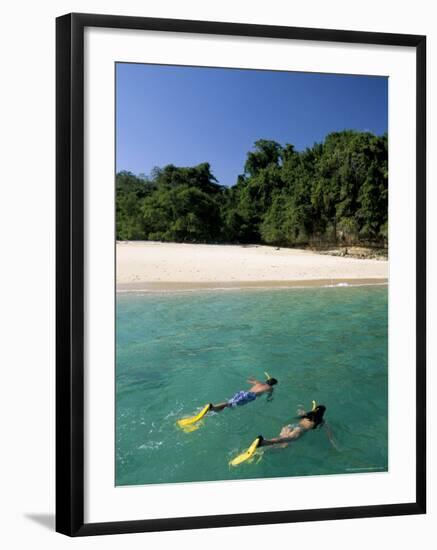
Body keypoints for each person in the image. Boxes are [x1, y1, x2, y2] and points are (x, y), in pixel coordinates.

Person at [257, 404, 331, 447]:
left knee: (283, 443)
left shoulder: (308, 414)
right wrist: (333, 442)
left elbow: (300, 412)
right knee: (284, 442)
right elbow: (329, 434)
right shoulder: (321, 421)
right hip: (299, 430)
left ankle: (266, 446)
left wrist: (300, 408)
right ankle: (264, 442)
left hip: (290, 426)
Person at [209, 375, 278, 412]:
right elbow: (269, 395)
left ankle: (215, 409)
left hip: (244, 392)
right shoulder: (270, 388)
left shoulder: (259, 383)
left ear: (267, 380)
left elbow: (249, 380)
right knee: (229, 404)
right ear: (273, 384)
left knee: (230, 404)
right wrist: (269, 399)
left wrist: (252, 378)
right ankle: (213, 407)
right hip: (250, 396)